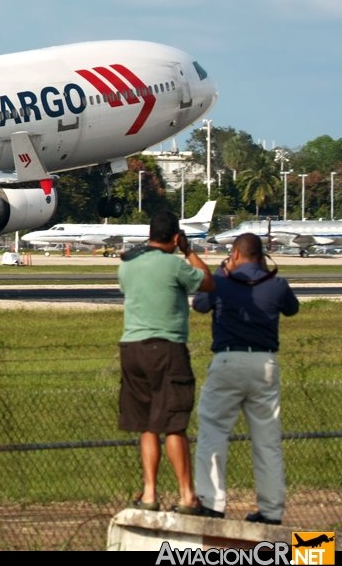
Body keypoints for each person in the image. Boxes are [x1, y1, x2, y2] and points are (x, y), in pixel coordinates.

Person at [193, 232, 299, 525]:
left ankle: (212, 503)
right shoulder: (276, 284)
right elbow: (292, 308)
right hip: (264, 361)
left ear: (235, 255)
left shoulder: (223, 281)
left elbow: (200, 304)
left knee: (213, 431)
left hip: (228, 358)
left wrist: (219, 272)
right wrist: (266, 275)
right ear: (261, 257)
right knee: (267, 440)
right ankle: (271, 511)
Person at [117, 210, 215, 514]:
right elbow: (207, 283)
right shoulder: (175, 265)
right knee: (173, 423)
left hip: (131, 347)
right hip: (166, 348)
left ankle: (149, 495)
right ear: (175, 237)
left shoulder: (127, 267)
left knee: (148, 425)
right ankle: (187, 496)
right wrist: (188, 251)